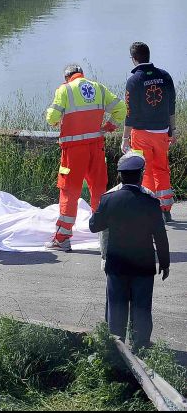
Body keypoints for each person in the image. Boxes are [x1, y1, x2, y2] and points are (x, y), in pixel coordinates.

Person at [89, 152, 169, 351]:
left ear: (119, 176)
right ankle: (140, 345)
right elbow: (160, 236)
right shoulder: (150, 202)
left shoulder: (109, 199)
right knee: (141, 306)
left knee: (116, 305)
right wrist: (165, 263)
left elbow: (94, 226)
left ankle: (116, 346)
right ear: (141, 175)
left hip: (116, 264)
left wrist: (104, 212)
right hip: (143, 264)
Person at [44, 64, 126, 252]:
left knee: (69, 192)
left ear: (67, 77)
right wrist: (109, 126)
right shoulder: (98, 88)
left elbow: (52, 117)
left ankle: (62, 238)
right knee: (98, 190)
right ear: (82, 74)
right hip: (96, 147)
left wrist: (56, 118)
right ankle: (106, 236)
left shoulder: (64, 90)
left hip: (73, 152)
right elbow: (121, 109)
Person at [122, 42, 178, 222]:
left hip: (141, 134)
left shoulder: (134, 80)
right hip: (162, 132)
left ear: (133, 59)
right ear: (148, 55)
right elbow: (171, 106)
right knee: (162, 169)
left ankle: (148, 208)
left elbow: (130, 113)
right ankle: (165, 208)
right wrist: (173, 130)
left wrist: (124, 138)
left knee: (145, 170)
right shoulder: (164, 76)